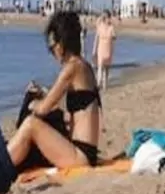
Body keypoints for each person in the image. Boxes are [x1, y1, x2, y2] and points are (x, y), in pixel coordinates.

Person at [7, 11, 102, 169]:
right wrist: (43, 94)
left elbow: (43, 108)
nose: (52, 53)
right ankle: (6, 158)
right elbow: (78, 112)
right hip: (85, 151)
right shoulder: (84, 66)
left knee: (31, 123)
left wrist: (31, 103)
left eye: (52, 48)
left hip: (81, 156)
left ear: (62, 44)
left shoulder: (71, 68)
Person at [94, 12, 116, 89]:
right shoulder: (100, 26)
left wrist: (112, 37)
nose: (109, 19)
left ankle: (105, 84)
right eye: (107, 18)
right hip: (101, 49)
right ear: (104, 18)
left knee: (106, 68)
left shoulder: (111, 27)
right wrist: (94, 50)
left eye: (109, 18)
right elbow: (96, 38)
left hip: (108, 49)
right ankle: (98, 83)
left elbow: (114, 37)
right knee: (100, 66)